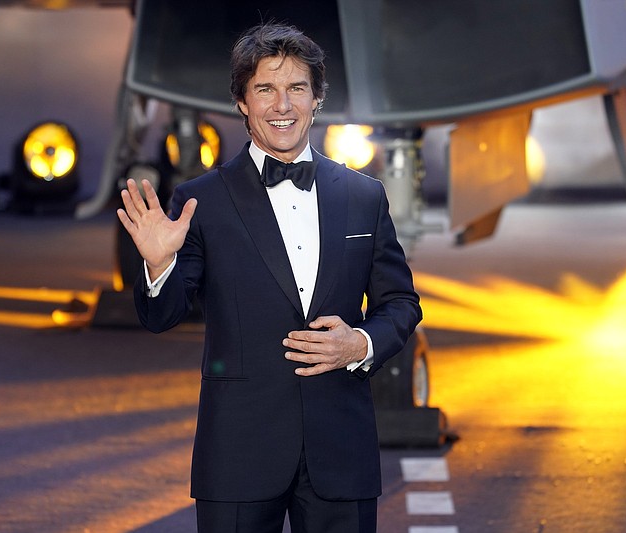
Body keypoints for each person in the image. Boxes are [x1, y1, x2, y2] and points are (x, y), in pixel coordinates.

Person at [117, 22, 422, 533]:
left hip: (340, 450)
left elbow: (401, 304)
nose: (282, 105)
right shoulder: (203, 201)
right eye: (265, 89)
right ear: (242, 101)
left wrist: (361, 343)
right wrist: (157, 264)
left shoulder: (363, 196)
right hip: (238, 453)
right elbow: (161, 315)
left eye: (297, 88)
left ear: (317, 98)